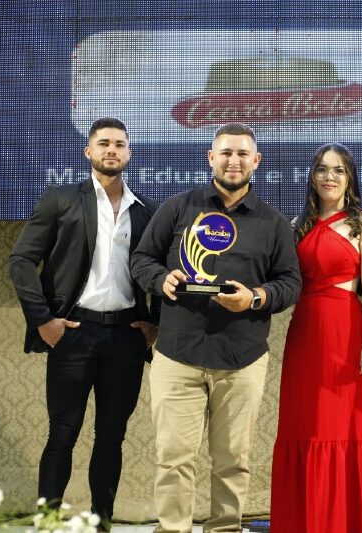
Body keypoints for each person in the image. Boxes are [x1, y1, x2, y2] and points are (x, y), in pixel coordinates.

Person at [130, 122, 301, 533]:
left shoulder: (274, 223)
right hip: (177, 354)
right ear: (211, 157)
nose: (233, 161)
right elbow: (141, 259)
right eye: (225, 152)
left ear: (256, 161)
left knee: (233, 461)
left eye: (242, 154)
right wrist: (161, 279)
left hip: (242, 359)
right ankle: (173, 529)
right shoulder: (177, 208)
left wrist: (255, 297)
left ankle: (225, 528)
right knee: (173, 459)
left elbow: (290, 283)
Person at [9, 117, 159, 530]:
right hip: (73, 333)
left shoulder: (146, 210)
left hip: (127, 337)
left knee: (111, 437)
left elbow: (160, 271)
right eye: (104, 143)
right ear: (88, 151)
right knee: (62, 434)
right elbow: (21, 260)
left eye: (120, 144)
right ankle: (48, 523)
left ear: (129, 154)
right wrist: (43, 320)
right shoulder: (60, 199)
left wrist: (155, 323)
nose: (112, 150)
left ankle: (102, 524)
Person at [270, 143, 362, 533]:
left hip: (347, 331)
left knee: (345, 427)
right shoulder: (297, 226)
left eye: (339, 170)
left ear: (350, 178)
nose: (330, 177)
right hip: (306, 334)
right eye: (322, 169)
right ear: (312, 176)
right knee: (306, 426)